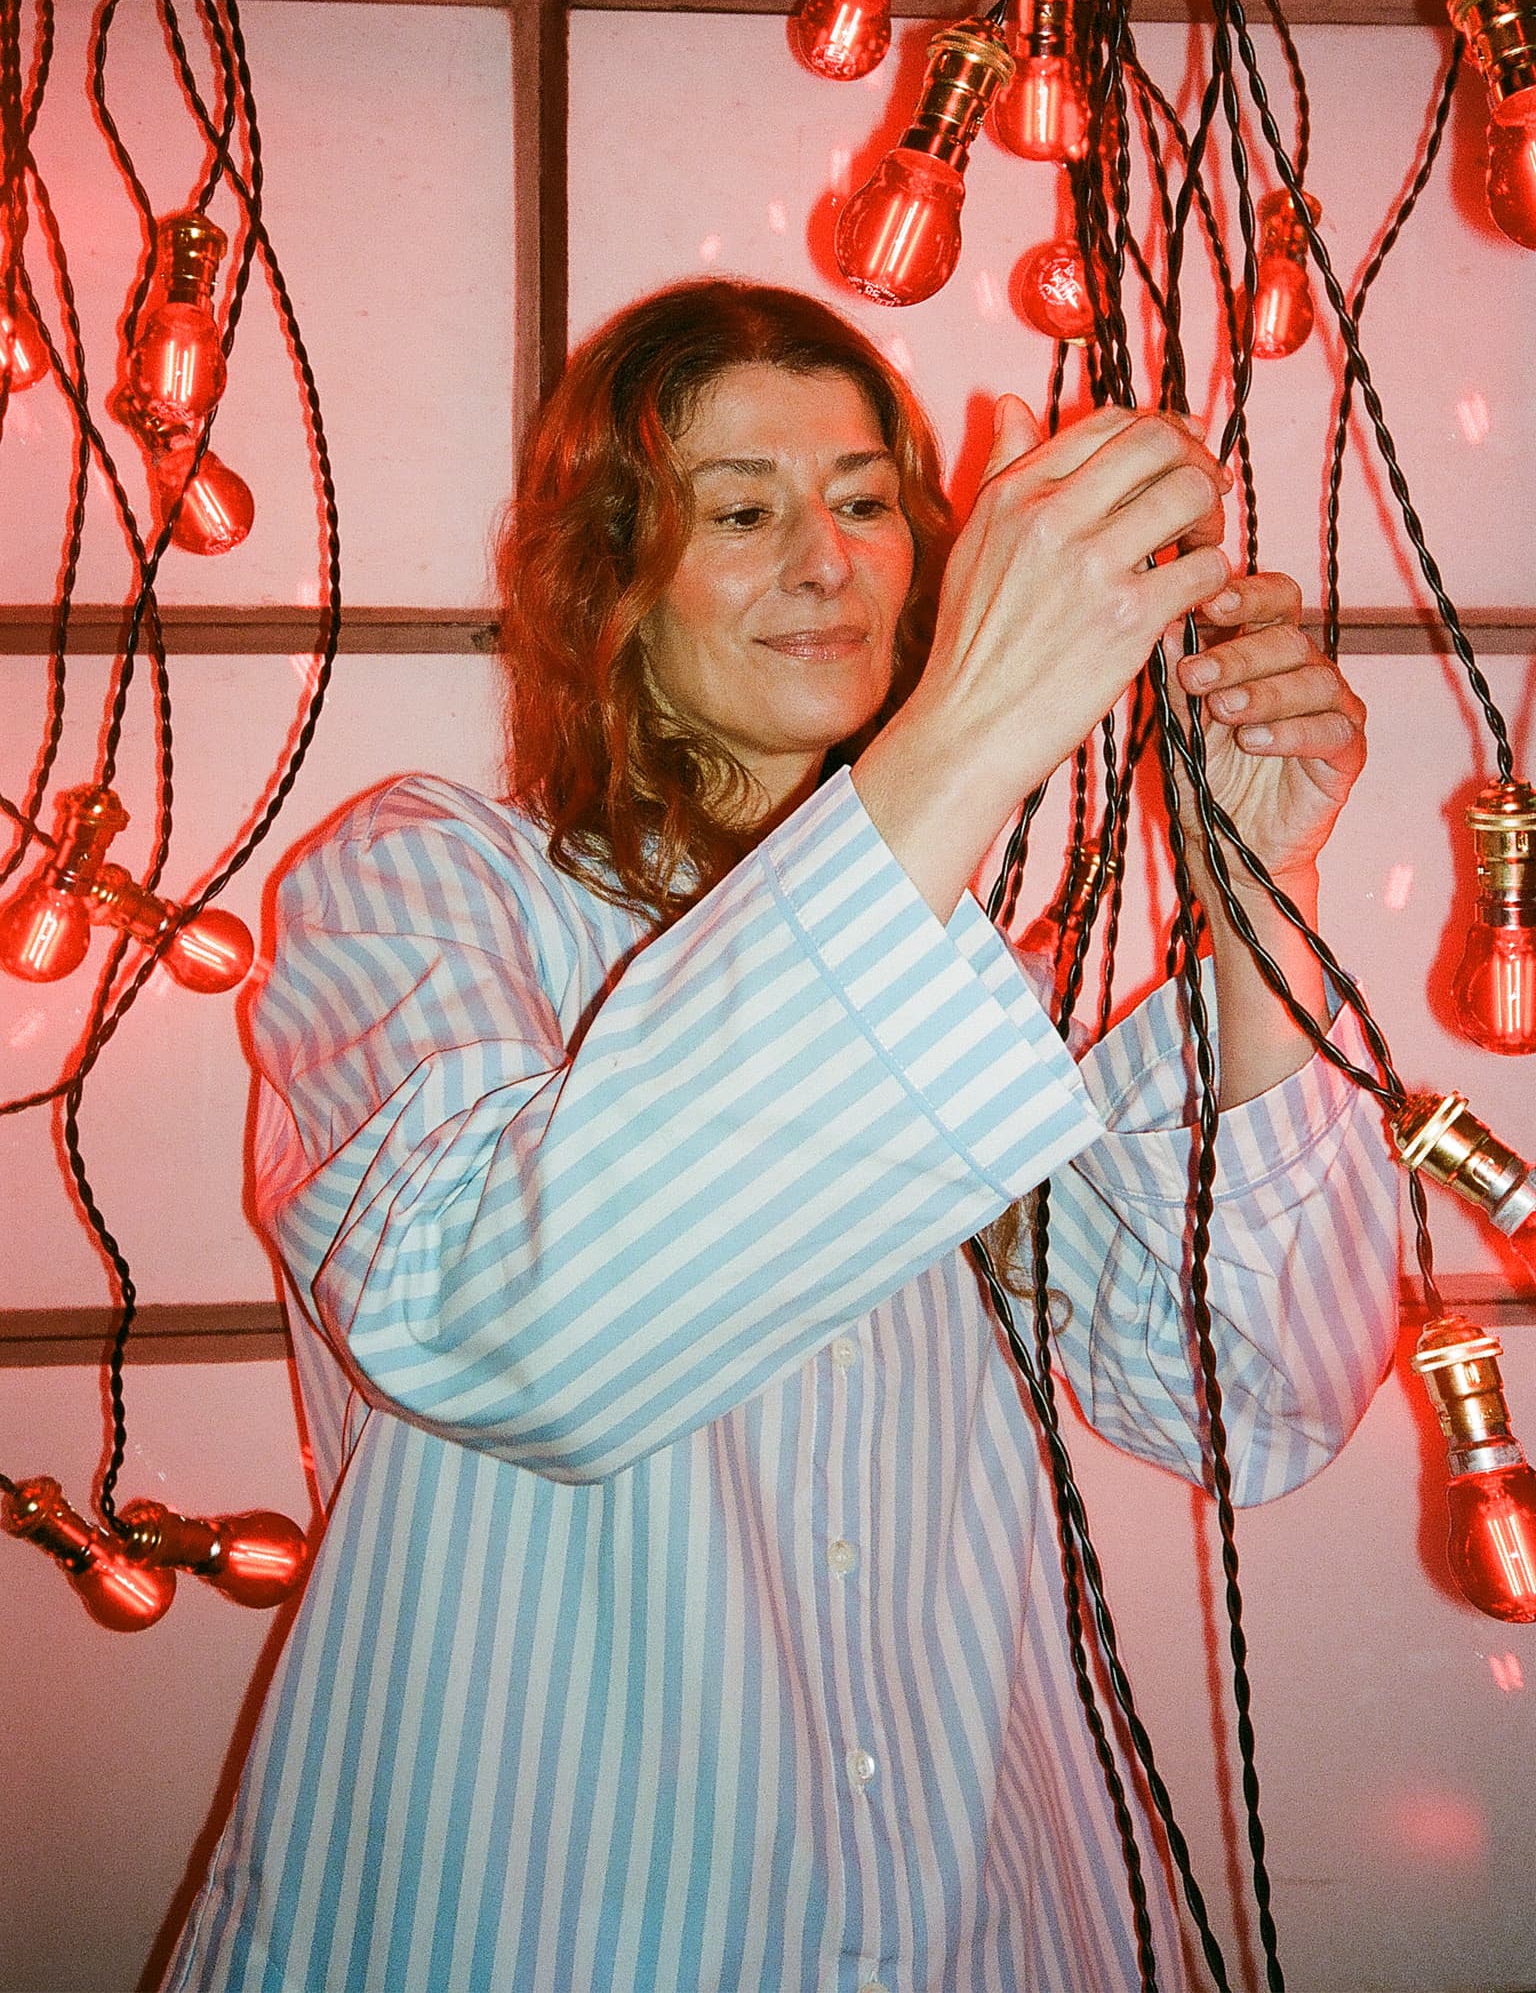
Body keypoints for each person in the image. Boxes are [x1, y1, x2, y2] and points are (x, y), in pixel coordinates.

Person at [163, 279, 1398, 1993]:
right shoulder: (425, 884)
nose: (828, 561)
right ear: (609, 580)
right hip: (527, 1919)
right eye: (742, 513)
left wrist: (1259, 892)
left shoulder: (980, 977)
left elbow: (1250, 1394)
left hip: (987, 1917)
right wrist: (972, 730)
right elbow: (509, 1325)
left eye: (867, 501)